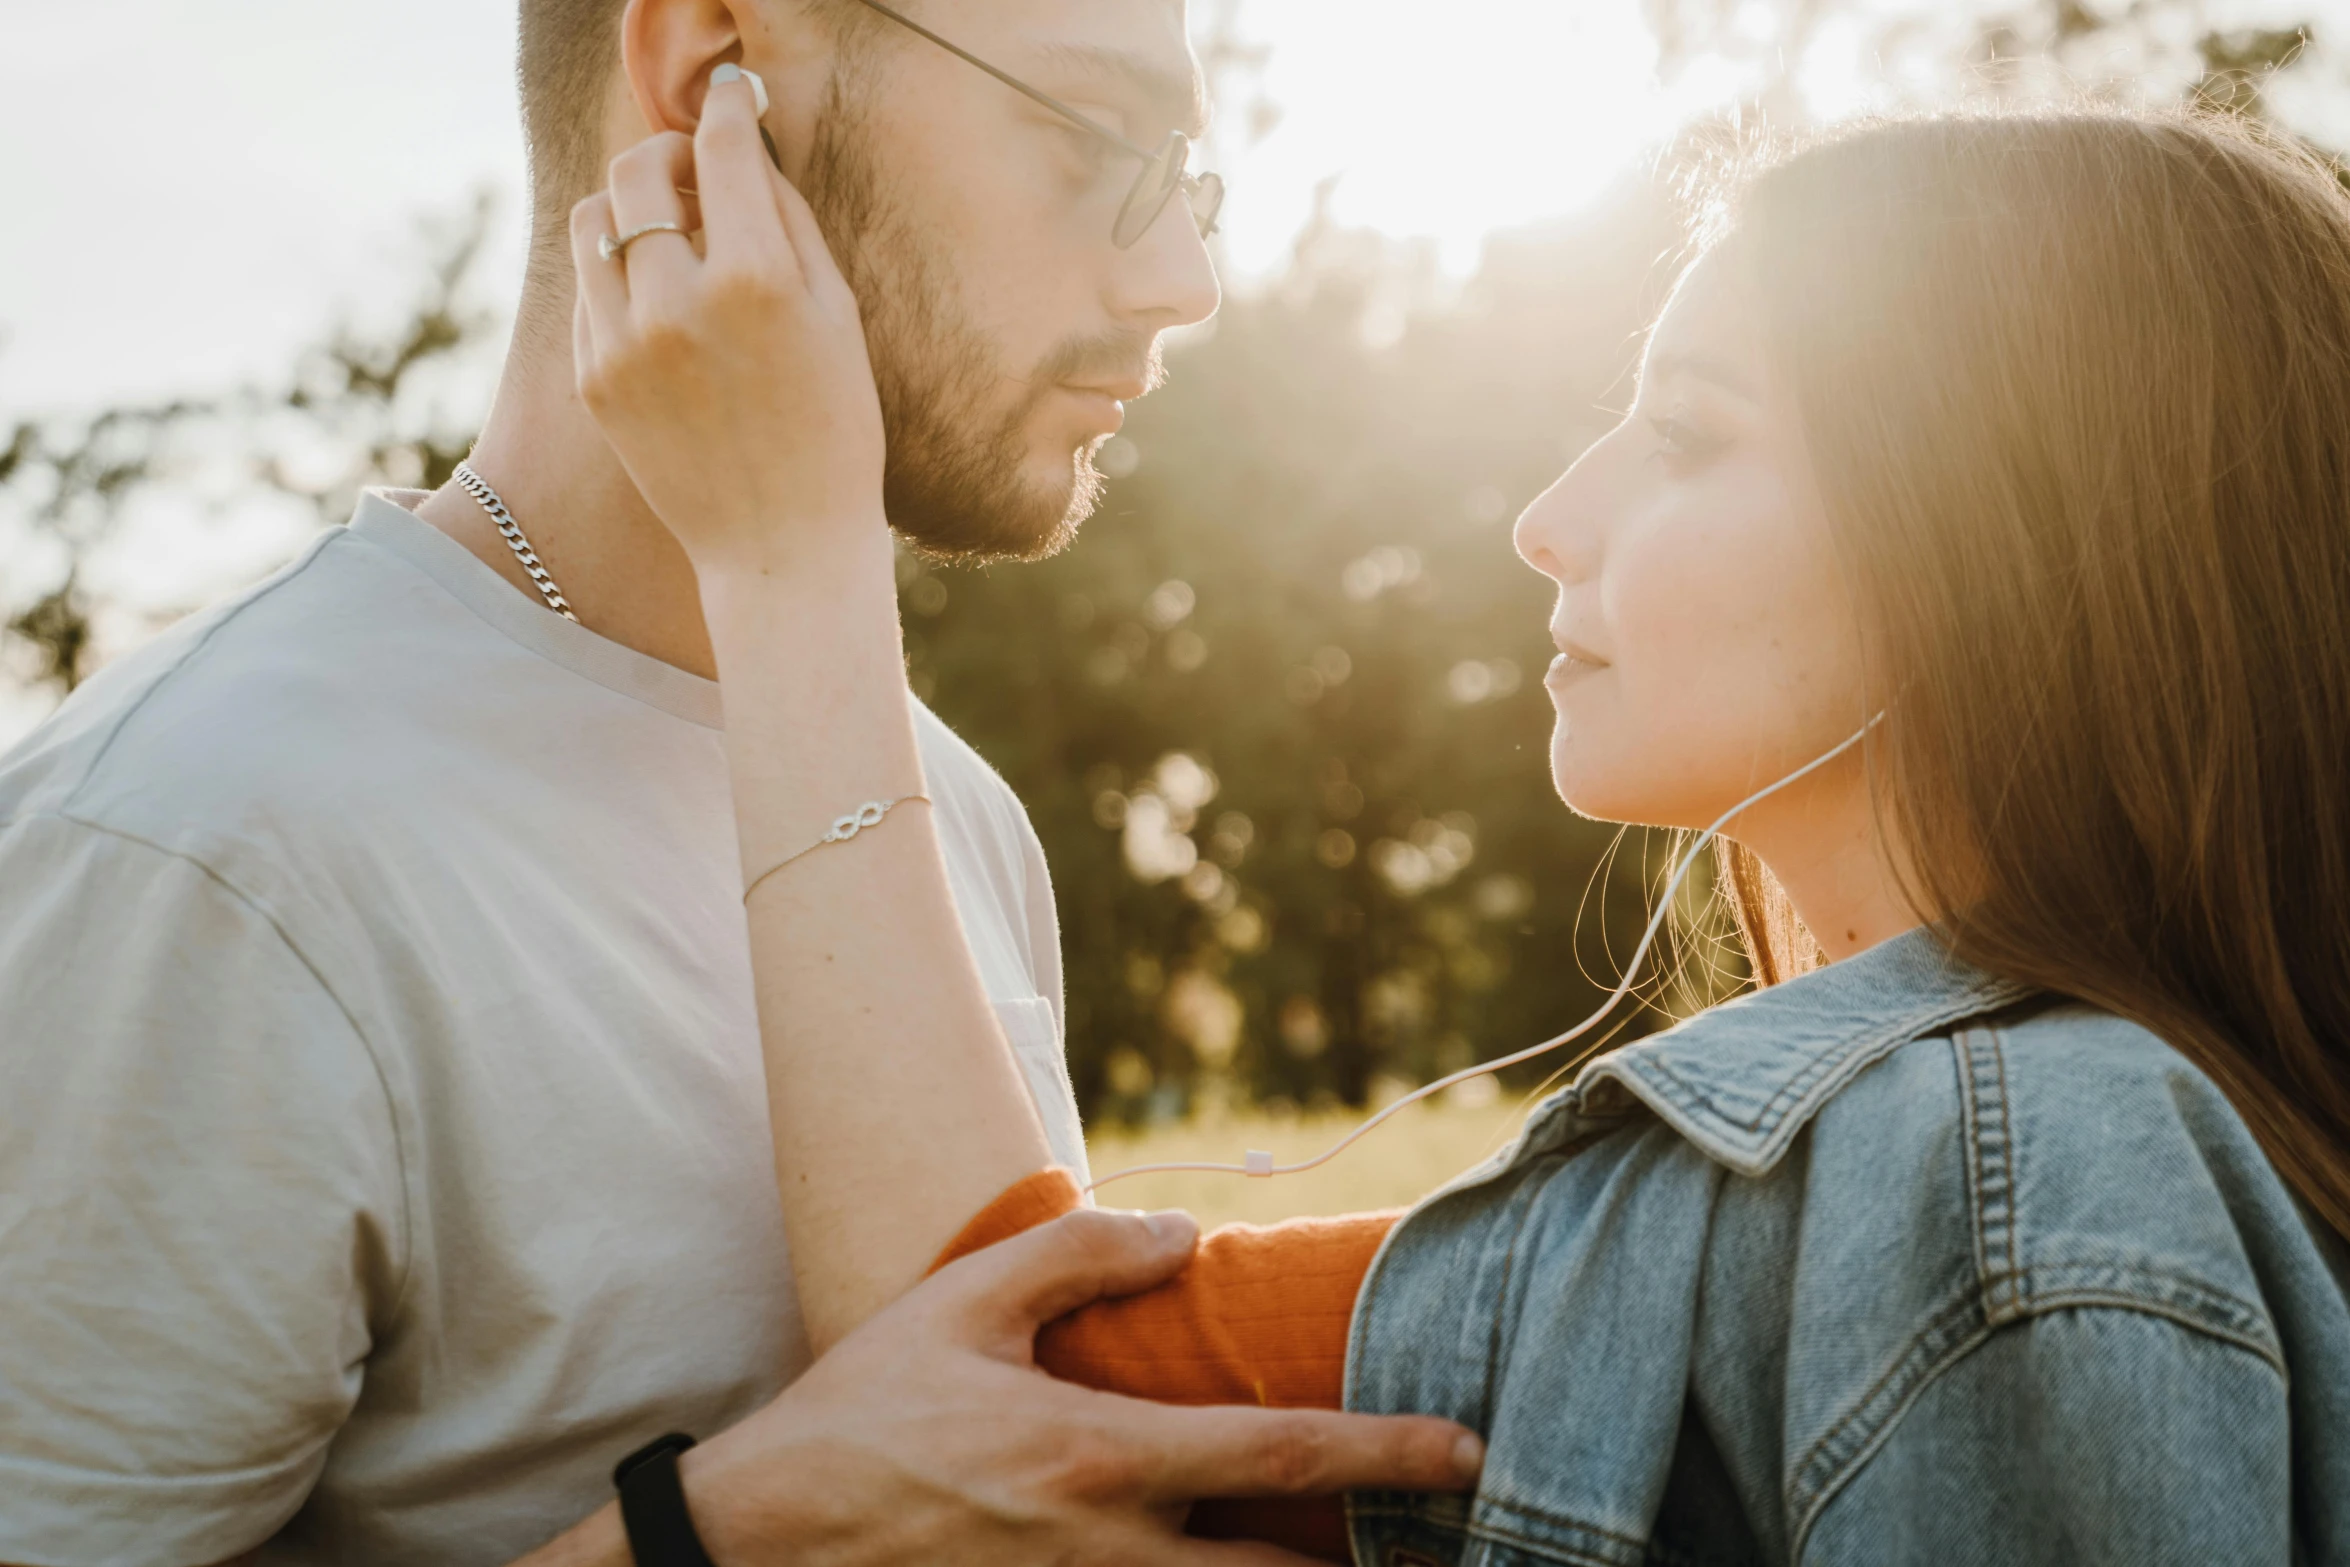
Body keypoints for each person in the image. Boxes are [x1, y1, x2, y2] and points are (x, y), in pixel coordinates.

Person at [582, 98, 2350, 1563]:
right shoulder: (1988, 1159)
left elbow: (1005, 1379)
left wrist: (789, 557)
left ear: (2001, 542)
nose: (1545, 517)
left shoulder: (2013, 1162)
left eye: (1686, 434)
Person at [0, 1, 1486, 1562]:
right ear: (716, 80)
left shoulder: (950, 811)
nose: (1183, 277)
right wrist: (707, 1541)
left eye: (1187, 171)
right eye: (1097, 143)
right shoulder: (195, 846)